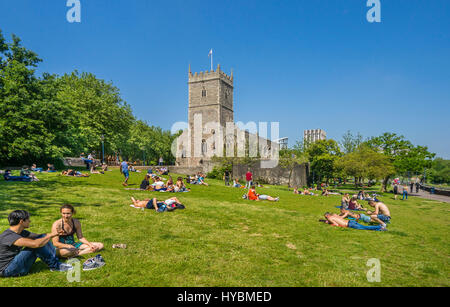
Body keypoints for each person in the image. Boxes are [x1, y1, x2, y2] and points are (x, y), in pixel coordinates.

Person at [0, 210, 73, 277]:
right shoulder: (8, 236)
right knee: (37, 244)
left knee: (43, 237)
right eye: (28, 219)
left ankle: (54, 260)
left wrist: (55, 233)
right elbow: (36, 244)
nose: (30, 221)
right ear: (21, 221)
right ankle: (55, 266)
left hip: (14, 263)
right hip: (7, 270)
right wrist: (50, 235)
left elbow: (40, 236)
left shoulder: (22, 232)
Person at [322, 213, 386, 231]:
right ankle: (380, 229)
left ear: (328, 216)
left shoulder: (330, 218)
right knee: (364, 227)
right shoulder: (335, 215)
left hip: (349, 224)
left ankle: (380, 227)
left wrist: (330, 224)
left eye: (326, 217)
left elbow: (335, 224)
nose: (326, 218)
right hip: (351, 221)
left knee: (365, 228)